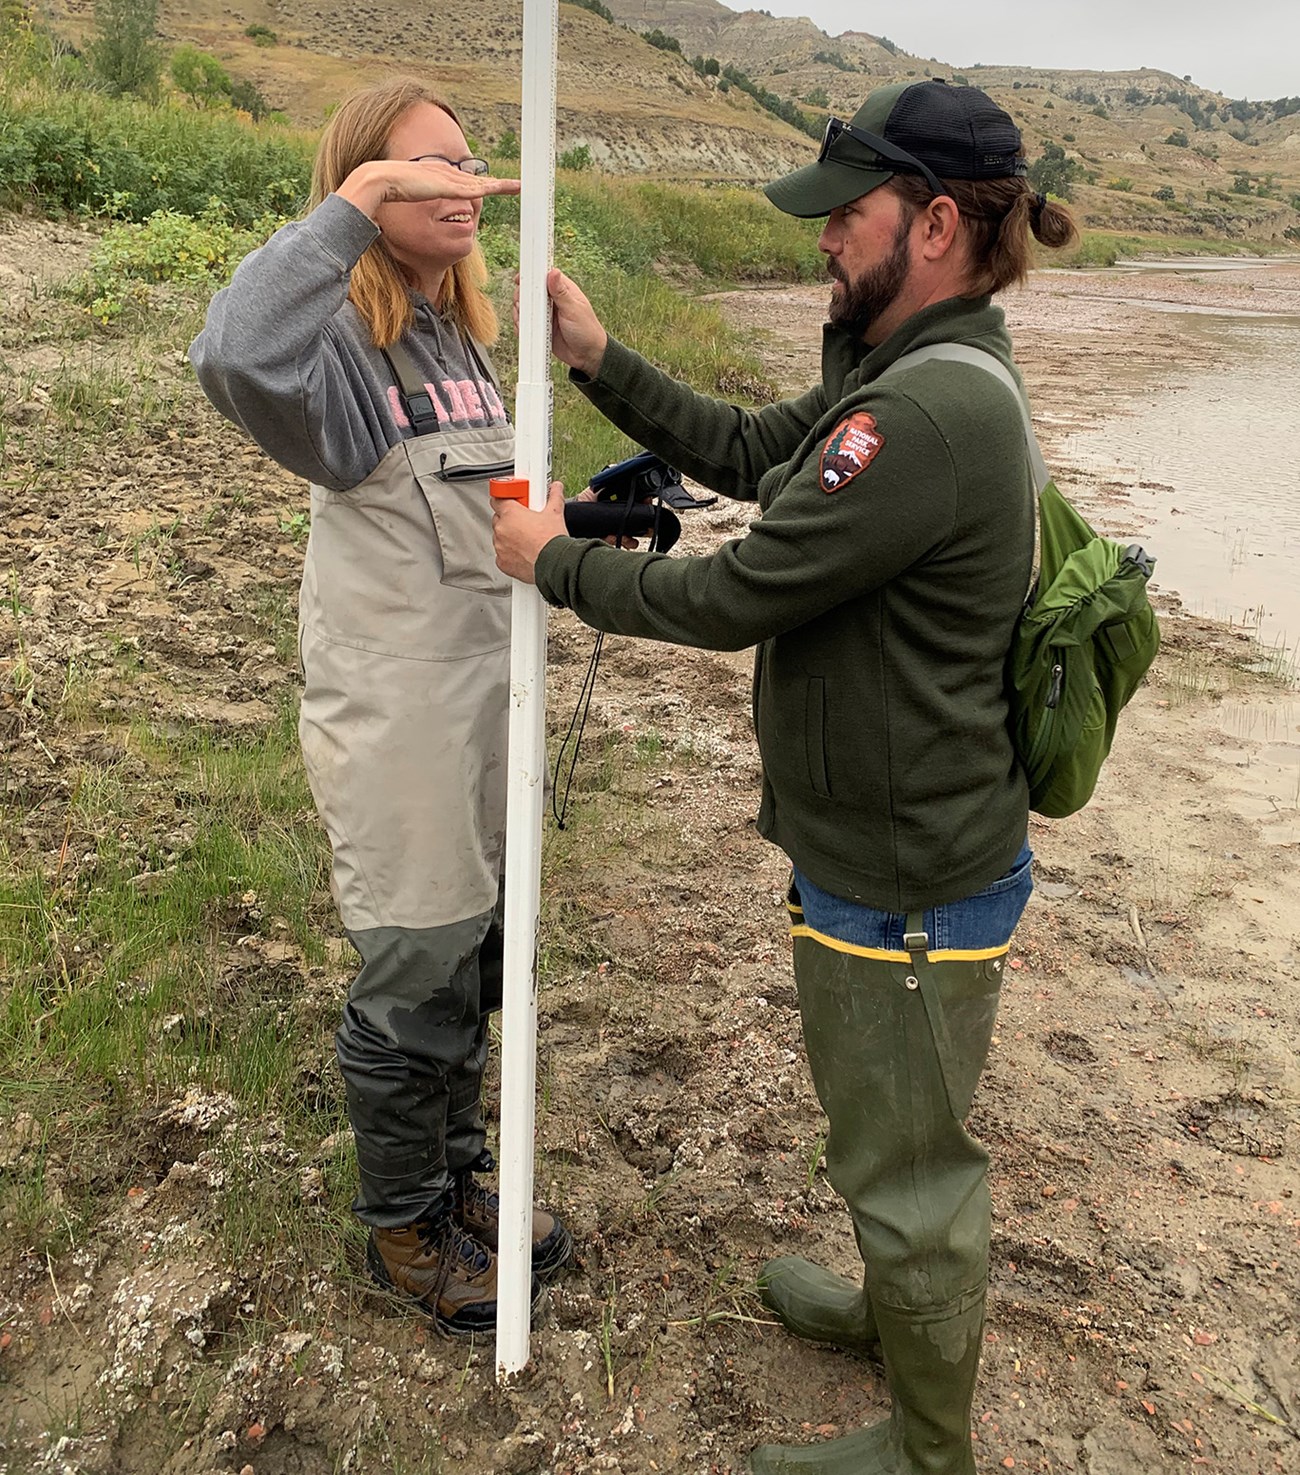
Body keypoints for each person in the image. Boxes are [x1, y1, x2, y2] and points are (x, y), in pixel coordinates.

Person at [494, 80, 1077, 1474]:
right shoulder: (906, 364)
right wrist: (601, 359)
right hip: (896, 843)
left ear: (934, 225)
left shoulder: (924, 410)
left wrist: (552, 562)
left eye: (844, 214)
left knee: (910, 1162)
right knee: (891, 1119)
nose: (821, 237)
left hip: (908, 872)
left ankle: (929, 1447)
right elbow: (765, 454)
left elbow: (735, 591)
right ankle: (890, 1311)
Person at [190, 77, 572, 1336]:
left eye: (469, 163)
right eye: (426, 169)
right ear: (366, 185)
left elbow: (484, 518)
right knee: (414, 968)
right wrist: (350, 206)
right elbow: (232, 354)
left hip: (488, 702)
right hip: (402, 722)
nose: (465, 186)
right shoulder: (342, 358)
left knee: (473, 955)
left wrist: (572, 524)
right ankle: (404, 1228)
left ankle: (458, 1183)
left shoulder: (459, 339)